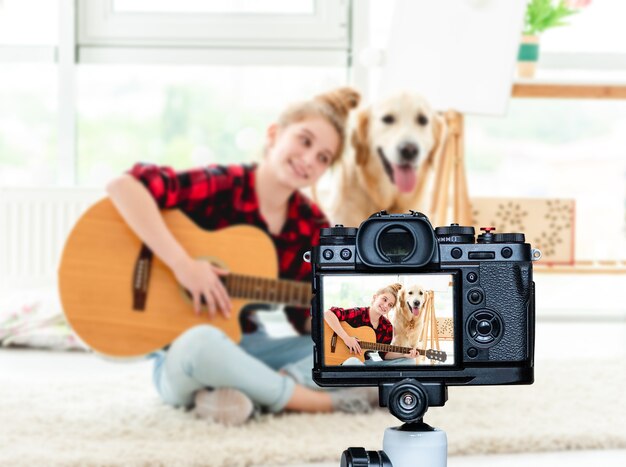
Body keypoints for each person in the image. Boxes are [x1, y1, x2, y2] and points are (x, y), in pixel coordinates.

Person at [106, 87, 376, 426]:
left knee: (373, 354)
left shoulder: (311, 226)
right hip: (183, 351)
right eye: (304, 141)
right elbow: (124, 187)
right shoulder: (224, 184)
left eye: (323, 158)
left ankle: (238, 395)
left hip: (251, 346)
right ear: (274, 135)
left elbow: (306, 320)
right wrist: (184, 266)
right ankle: (314, 402)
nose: (309, 160)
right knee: (201, 345)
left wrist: (339, 313)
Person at [324, 283, 420, 365]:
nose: (385, 305)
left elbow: (384, 354)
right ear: (375, 297)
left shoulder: (387, 327)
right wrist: (346, 338)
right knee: (352, 362)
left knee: (410, 361)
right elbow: (328, 314)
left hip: (367, 362)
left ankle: (367, 376)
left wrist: (404, 354)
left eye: (390, 305)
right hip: (352, 361)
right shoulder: (358, 313)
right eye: (384, 299)